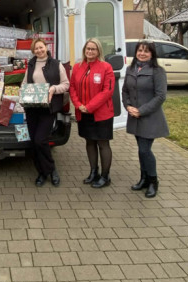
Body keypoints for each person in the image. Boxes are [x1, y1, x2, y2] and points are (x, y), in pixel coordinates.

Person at [122, 40, 169, 198]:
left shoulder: (158, 71)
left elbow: (160, 96)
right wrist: (128, 106)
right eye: (140, 50)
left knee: (144, 150)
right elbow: (125, 91)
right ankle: (144, 179)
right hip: (134, 117)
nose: (142, 53)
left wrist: (141, 111)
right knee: (141, 150)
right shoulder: (130, 69)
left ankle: (153, 182)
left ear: (152, 54)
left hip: (149, 118)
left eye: (146, 51)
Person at [22, 38, 69, 187]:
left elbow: (66, 84)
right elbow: (25, 83)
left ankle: (51, 169)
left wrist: (53, 88)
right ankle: (41, 173)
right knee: (34, 142)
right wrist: (22, 95)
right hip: (32, 108)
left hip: (48, 108)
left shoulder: (56, 64)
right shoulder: (31, 64)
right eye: (36, 49)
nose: (39, 50)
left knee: (40, 140)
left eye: (41, 47)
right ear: (33, 51)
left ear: (46, 47)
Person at [70, 38, 115, 188]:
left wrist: (89, 107)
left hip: (101, 114)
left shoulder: (106, 67)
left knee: (103, 143)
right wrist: (78, 105)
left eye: (93, 49)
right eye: (88, 49)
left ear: (98, 51)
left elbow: (107, 91)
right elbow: (72, 87)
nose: (90, 51)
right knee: (89, 142)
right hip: (83, 112)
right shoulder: (78, 67)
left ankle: (105, 176)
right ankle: (93, 172)